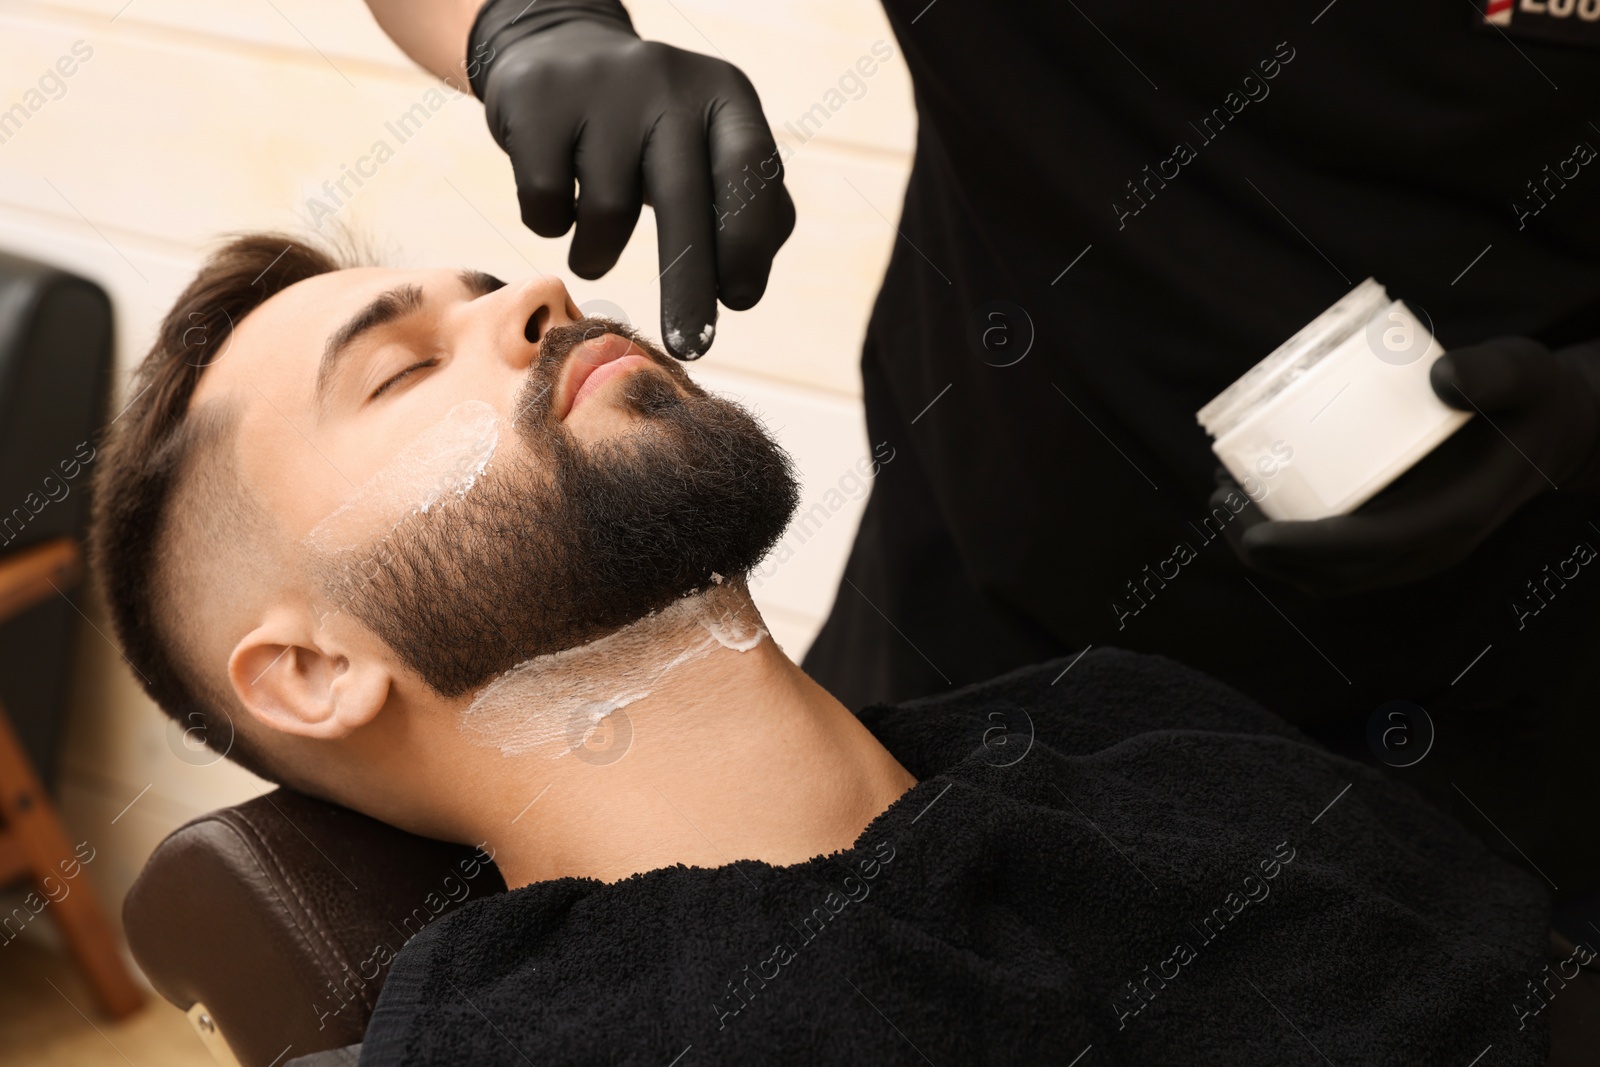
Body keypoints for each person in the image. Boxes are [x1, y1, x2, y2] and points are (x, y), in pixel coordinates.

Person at [88, 235, 1589, 1065]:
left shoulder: (1114, 711)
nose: (536, 293)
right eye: (407, 366)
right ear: (312, 672)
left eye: (491, 285)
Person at [358, 0, 1600, 899]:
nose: (528, 307)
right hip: (996, 619)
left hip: (1540, 683)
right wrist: (529, 22)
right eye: (390, 367)